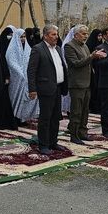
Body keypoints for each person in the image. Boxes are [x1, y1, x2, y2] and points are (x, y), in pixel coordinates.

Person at [27, 25, 69, 155]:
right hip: (45, 89)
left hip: (57, 88)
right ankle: (43, 145)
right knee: (45, 118)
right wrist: (32, 89)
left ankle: (53, 142)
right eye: (53, 34)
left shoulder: (57, 49)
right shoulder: (38, 49)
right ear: (45, 36)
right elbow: (31, 70)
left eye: (56, 34)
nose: (56, 37)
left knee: (56, 117)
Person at [64, 25, 107, 144]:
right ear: (76, 34)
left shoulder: (85, 46)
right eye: (83, 34)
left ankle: (83, 132)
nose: (86, 36)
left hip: (87, 83)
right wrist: (91, 56)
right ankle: (74, 134)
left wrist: (94, 56)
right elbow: (75, 63)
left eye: (87, 34)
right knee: (76, 111)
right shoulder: (69, 46)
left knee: (85, 110)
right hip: (77, 84)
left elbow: (88, 62)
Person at [6, 28, 39, 125]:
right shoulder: (12, 49)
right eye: (21, 37)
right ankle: (15, 117)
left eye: (24, 37)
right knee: (16, 98)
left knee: (27, 98)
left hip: (27, 78)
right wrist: (20, 73)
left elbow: (30, 61)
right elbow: (12, 62)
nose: (23, 39)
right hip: (17, 79)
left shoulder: (28, 48)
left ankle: (23, 117)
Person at [86, 29, 104, 114]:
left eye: (101, 36)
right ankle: (93, 107)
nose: (100, 38)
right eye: (98, 36)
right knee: (94, 88)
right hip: (92, 69)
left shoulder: (101, 45)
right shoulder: (89, 45)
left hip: (100, 69)